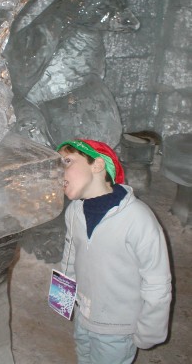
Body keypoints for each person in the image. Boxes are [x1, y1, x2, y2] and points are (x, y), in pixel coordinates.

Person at [56, 139, 172, 364]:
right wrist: (63, 299)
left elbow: (157, 282)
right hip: (84, 314)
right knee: (84, 357)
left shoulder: (138, 219)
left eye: (67, 161)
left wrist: (150, 331)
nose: (58, 171)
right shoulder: (74, 211)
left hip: (117, 326)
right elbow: (69, 257)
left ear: (97, 165)